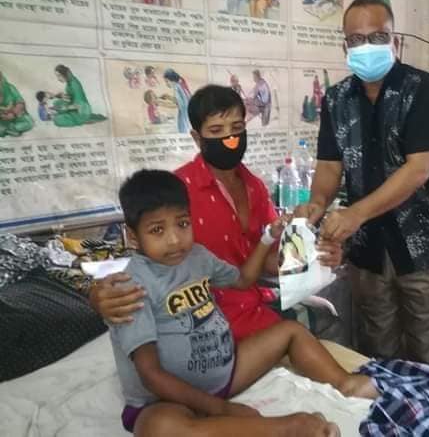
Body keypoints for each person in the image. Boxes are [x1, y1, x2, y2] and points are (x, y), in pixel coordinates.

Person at [111, 169, 376, 436]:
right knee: (159, 428)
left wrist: (267, 237)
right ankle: (289, 428)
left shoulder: (198, 257)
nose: (174, 239)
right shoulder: (129, 288)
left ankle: (345, 383)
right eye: (157, 230)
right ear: (132, 236)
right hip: (167, 399)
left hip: (225, 373)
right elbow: (151, 375)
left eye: (182, 224)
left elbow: (244, 279)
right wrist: (221, 408)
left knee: (290, 331)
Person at [90, 86, 343, 342]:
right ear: (197, 138)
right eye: (216, 130)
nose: (229, 138)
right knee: (304, 336)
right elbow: (147, 262)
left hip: (254, 299)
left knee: (326, 314)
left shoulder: (254, 187)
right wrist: (102, 295)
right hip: (203, 319)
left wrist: (315, 256)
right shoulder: (178, 192)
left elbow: (267, 260)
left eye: (237, 128)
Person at [295, 0, 429, 369]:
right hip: (367, 251)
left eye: (377, 37)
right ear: (345, 47)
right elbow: (329, 166)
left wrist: (356, 214)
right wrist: (317, 203)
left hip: (422, 245)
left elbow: (418, 170)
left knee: (426, 356)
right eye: (356, 39)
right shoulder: (336, 99)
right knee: (375, 351)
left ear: (394, 41)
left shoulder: (422, 89)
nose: (366, 46)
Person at [0, 71, 34, 137]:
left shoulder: (10, 87)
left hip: (14, 115)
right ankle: (7, 130)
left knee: (29, 123)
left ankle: (10, 129)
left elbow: (20, 102)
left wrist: (13, 114)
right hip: (2, 119)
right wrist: (2, 115)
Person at [162, 69, 191, 134]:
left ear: (172, 79)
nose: (166, 84)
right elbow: (181, 100)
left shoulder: (177, 88)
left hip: (184, 115)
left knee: (184, 131)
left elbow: (176, 105)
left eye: (167, 81)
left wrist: (160, 103)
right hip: (188, 112)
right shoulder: (180, 84)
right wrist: (168, 97)